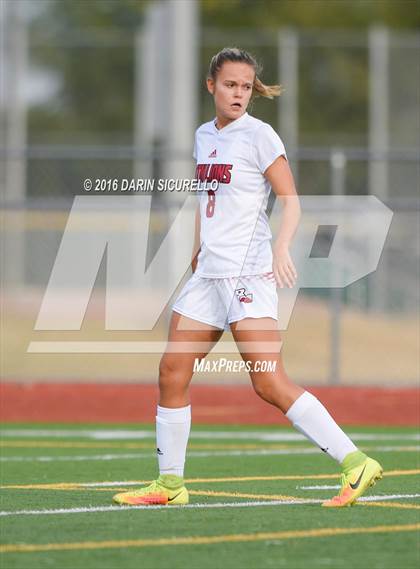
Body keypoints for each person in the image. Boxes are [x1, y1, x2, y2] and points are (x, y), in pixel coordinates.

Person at [113, 47, 382, 508]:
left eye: (245, 86)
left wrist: (280, 247)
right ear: (211, 86)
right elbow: (206, 197)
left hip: (247, 273)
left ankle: (355, 462)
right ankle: (170, 485)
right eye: (230, 84)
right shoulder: (204, 135)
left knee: (267, 380)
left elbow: (291, 200)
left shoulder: (260, 136)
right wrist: (197, 248)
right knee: (172, 370)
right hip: (209, 275)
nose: (238, 93)